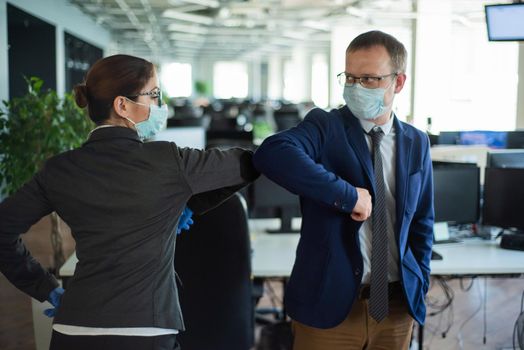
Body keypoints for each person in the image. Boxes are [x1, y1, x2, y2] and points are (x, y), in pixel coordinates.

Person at [0, 54, 259, 350]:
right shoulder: (168, 161)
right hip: (146, 332)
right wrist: (193, 205)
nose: (160, 105)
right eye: (154, 95)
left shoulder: (59, 169)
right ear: (122, 105)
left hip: (73, 329)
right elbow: (248, 163)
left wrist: (45, 287)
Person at [253, 30, 433, 349]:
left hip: (395, 306)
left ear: (399, 82)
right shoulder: (326, 125)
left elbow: (422, 220)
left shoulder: (416, 141)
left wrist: (420, 280)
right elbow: (272, 152)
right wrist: (349, 196)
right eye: (349, 78)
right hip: (330, 305)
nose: (356, 88)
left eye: (368, 79)